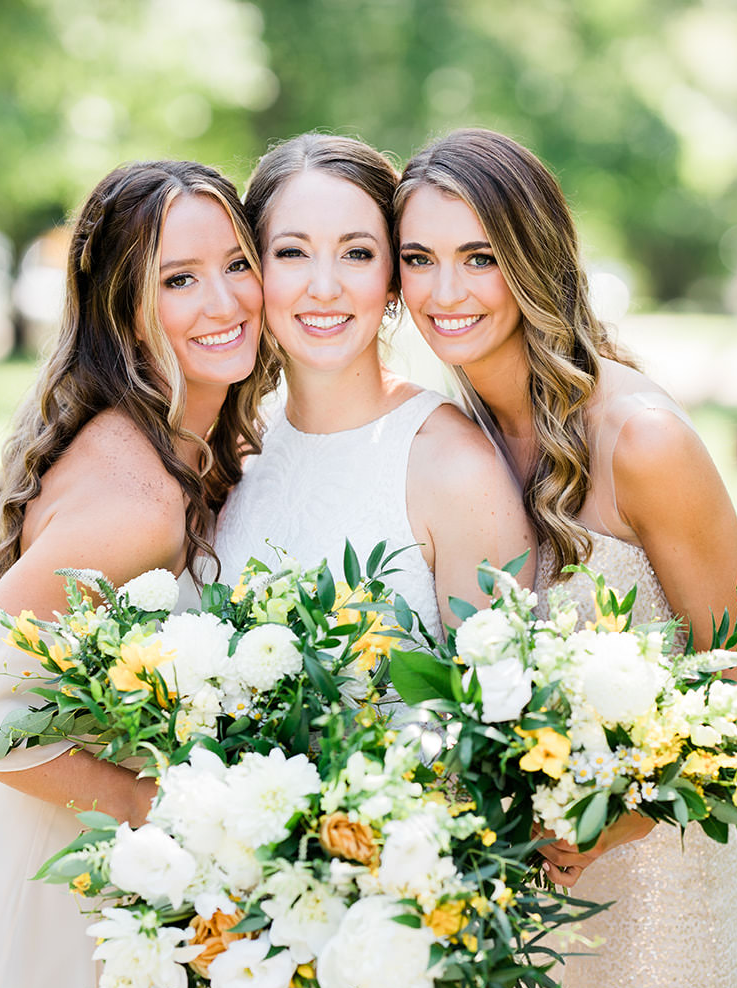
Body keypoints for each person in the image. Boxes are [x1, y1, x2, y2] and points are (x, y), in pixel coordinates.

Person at [0, 160, 274, 988]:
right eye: (178, 279)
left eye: (237, 264)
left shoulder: (189, 446)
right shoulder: (140, 498)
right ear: (124, 311)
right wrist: (155, 803)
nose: (223, 300)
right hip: (35, 908)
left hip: (86, 886)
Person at [396, 127, 737, 988]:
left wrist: (608, 822)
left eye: (479, 257)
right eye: (419, 259)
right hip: (509, 900)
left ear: (534, 257)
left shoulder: (642, 439)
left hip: (655, 895)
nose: (446, 292)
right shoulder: (452, 438)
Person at [213, 133, 530, 636]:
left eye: (356, 254)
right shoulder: (239, 447)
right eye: (292, 252)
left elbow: (495, 705)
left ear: (393, 278)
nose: (323, 287)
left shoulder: (457, 469)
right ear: (256, 270)